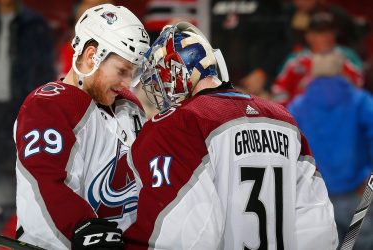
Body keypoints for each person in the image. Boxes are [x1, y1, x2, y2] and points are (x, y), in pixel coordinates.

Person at [120, 21, 338, 249]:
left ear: (177, 75)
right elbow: (316, 223)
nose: (160, 92)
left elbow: (187, 232)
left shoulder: (182, 123)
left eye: (160, 81)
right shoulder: (283, 118)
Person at [14, 4, 149, 250]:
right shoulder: (48, 105)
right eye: (121, 71)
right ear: (91, 57)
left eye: (133, 73)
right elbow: (45, 184)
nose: (127, 83)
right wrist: (82, 229)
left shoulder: (129, 106)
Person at [288, 52, 373, 250]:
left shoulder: (298, 107)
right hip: (357, 193)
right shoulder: (360, 101)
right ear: (342, 71)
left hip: (315, 201)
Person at [0, 0, 56, 170]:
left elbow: (45, 70)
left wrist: (35, 108)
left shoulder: (36, 24)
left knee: (20, 168)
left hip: (22, 109)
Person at [272, 10, 363, 106]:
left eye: (330, 31)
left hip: (339, 114)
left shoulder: (347, 57)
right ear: (309, 36)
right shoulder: (296, 61)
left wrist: (341, 75)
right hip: (302, 116)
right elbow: (279, 91)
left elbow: (359, 88)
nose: (327, 37)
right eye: (321, 32)